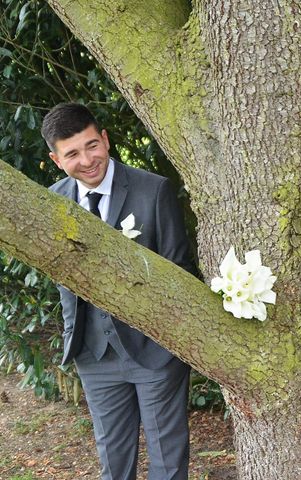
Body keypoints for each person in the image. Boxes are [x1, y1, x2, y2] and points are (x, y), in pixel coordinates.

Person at [42, 103, 197, 480]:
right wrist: (73, 340)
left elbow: (181, 272)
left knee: (168, 461)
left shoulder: (153, 190)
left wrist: (174, 344)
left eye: (92, 145)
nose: (87, 160)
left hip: (155, 353)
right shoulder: (51, 201)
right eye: (73, 153)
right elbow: (61, 279)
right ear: (56, 159)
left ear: (106, 139)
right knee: (113, 461)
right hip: (94, 355)